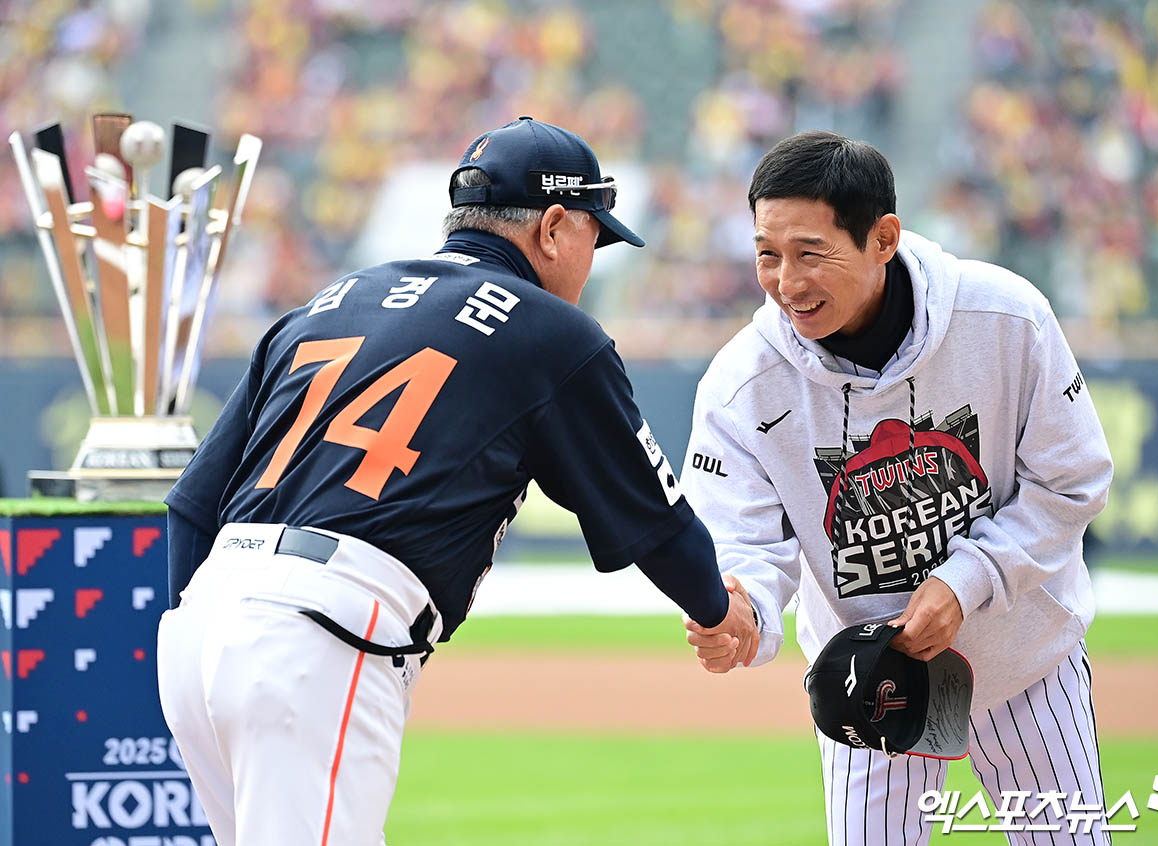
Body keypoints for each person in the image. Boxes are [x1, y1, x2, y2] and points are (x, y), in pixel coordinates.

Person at [157, 116, 757, 846]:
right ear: (555, 227)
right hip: (318, 634)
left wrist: (199, 625)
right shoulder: (552, 332)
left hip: (200, 627)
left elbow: (191, 503)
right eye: (594, 238)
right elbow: (655, 516)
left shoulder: (331, 299)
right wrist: (717, 610)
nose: (591, 259)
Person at [681, 130, 1114, 845]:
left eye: (809, 252)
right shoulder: (741, 386)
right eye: (767, 254)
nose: (786, 282)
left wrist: (968, 580)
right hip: (866, 684)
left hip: (1026, 659)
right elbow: (746, 546)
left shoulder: (1006, 318)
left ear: (883, 238)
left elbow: (1072, 481)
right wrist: (744, 614)